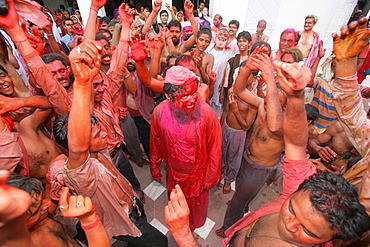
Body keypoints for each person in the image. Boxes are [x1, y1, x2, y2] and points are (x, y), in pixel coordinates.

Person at [53, 40, 167, 246]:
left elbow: (89, 111)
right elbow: (78, 145)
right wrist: (80, 83)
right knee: (160, 243)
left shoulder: (98, 152)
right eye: (97, 135)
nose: (104, 136)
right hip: (124, 218)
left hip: (130, 205)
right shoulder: (82, 171)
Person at [216, 44, 285, 238]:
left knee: (237, 202)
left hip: (259, 167)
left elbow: (272, 126)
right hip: (248, 158)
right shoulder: (264, 105)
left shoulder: (284, 122)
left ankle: (228, 230)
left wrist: (270, 82)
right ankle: (242, 202)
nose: (272, 101)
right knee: (242, 194)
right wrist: (248, 66)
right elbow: (238, 89)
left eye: (278, 98)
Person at [149, 65, 222, 230]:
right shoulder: (159, 112)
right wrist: (154, 164)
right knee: (177, 204)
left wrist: (210, 178)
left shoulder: (208, 115)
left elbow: (215, 151)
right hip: (174, 174)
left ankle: (192, 230)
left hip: (198, 177)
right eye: (185, 96)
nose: (192, 100)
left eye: (194, 93)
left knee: (196, 211)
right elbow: (155, 140)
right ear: (168, 96)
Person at [207, 27, 234, 117]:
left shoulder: (229, 53)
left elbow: (226, 72)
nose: (222, 37)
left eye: (225, 35)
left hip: (218, 86)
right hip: (206, 83)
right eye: (221, 34)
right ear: (216, 36)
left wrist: (222, 90)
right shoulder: (208, 49)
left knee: (214, 112)